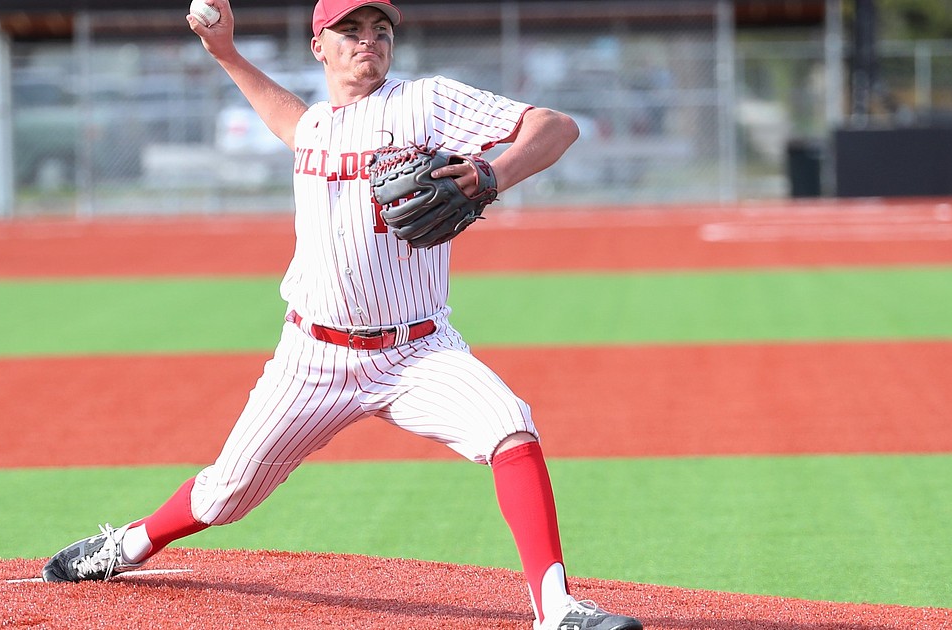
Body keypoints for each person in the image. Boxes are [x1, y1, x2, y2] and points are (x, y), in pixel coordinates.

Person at [42, 1, 642, 629]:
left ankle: (556, 607)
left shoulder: (425, 103)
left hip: (418, 351)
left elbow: (556, 126)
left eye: (380, 31)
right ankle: (129, 546)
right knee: (226, 493)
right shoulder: (316, 127)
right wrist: (225, 53)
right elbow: (289, 121)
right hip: (313, 361)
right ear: (319, 48)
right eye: (350, 31)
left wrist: (491, 172)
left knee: (509, 425)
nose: (368, 41)